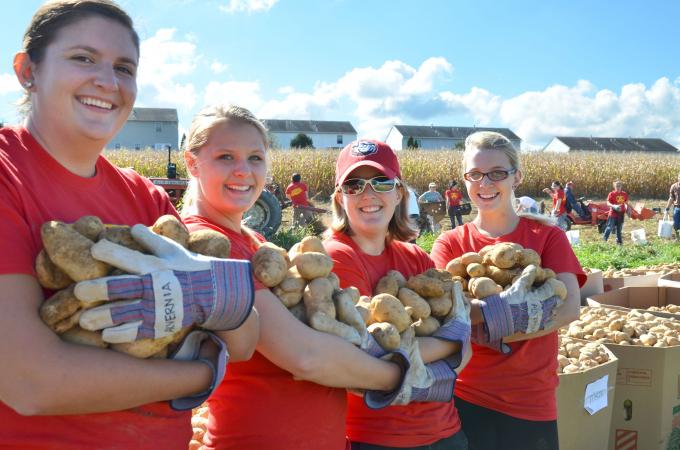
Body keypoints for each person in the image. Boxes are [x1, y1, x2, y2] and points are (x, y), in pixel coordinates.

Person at [0, 2, 258, 448]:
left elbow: (247, 339)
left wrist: (206, 290)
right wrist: (201, 372)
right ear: (27, 71)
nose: (108, 81)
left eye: (124, 67)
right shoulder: (8, 173)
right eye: (83, 58)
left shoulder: (146, 199)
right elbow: (30, 381)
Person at [179, 106, 415, 450]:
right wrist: (403, 376)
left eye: (255, 158)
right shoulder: (209, 244)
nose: (244, 170)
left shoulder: (257, 244)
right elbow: (305, 357)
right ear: (192, 163)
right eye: (226, 157)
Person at [430, 131, 585, 450]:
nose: (485, 183)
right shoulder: (451, 243)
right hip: (463, 397)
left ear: (516, 177)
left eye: (497, 173)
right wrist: (517, 315)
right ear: (465, 180)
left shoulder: (546, 237)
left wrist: (494, 326)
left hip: (530, 400)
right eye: (475, 174)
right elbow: (445, 314)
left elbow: (570, 307)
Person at [324, 139, 472, 450]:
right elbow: (365, 354)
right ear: (340, 197)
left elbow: (466, 348)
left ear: (399, 193)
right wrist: (448, 344)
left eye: (381, 182)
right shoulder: (335, 258)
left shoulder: (416, 257)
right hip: (378, 436)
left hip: (445, 428)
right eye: (354, 185)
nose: (369, 194)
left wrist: (451, 345)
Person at [602, 180, 629, 245]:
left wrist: (628, 210)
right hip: (613, 213)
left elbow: (626, 203)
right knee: (609, 227)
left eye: (619, 186)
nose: (618, 187)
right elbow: (608, 203)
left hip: (621, 214)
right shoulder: (611, 194)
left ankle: (619, 242)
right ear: (614, 186)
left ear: (621, 186)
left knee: (619, 229)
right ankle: (604, 241)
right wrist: (613, 206)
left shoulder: (624, 194)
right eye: (616, 186)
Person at [665, 172, 680, 239]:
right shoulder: (674, 186)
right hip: (677, 208)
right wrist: (667, 208)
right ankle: (678, 237)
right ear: (678, 178)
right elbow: (671, 198)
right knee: (676, 224)